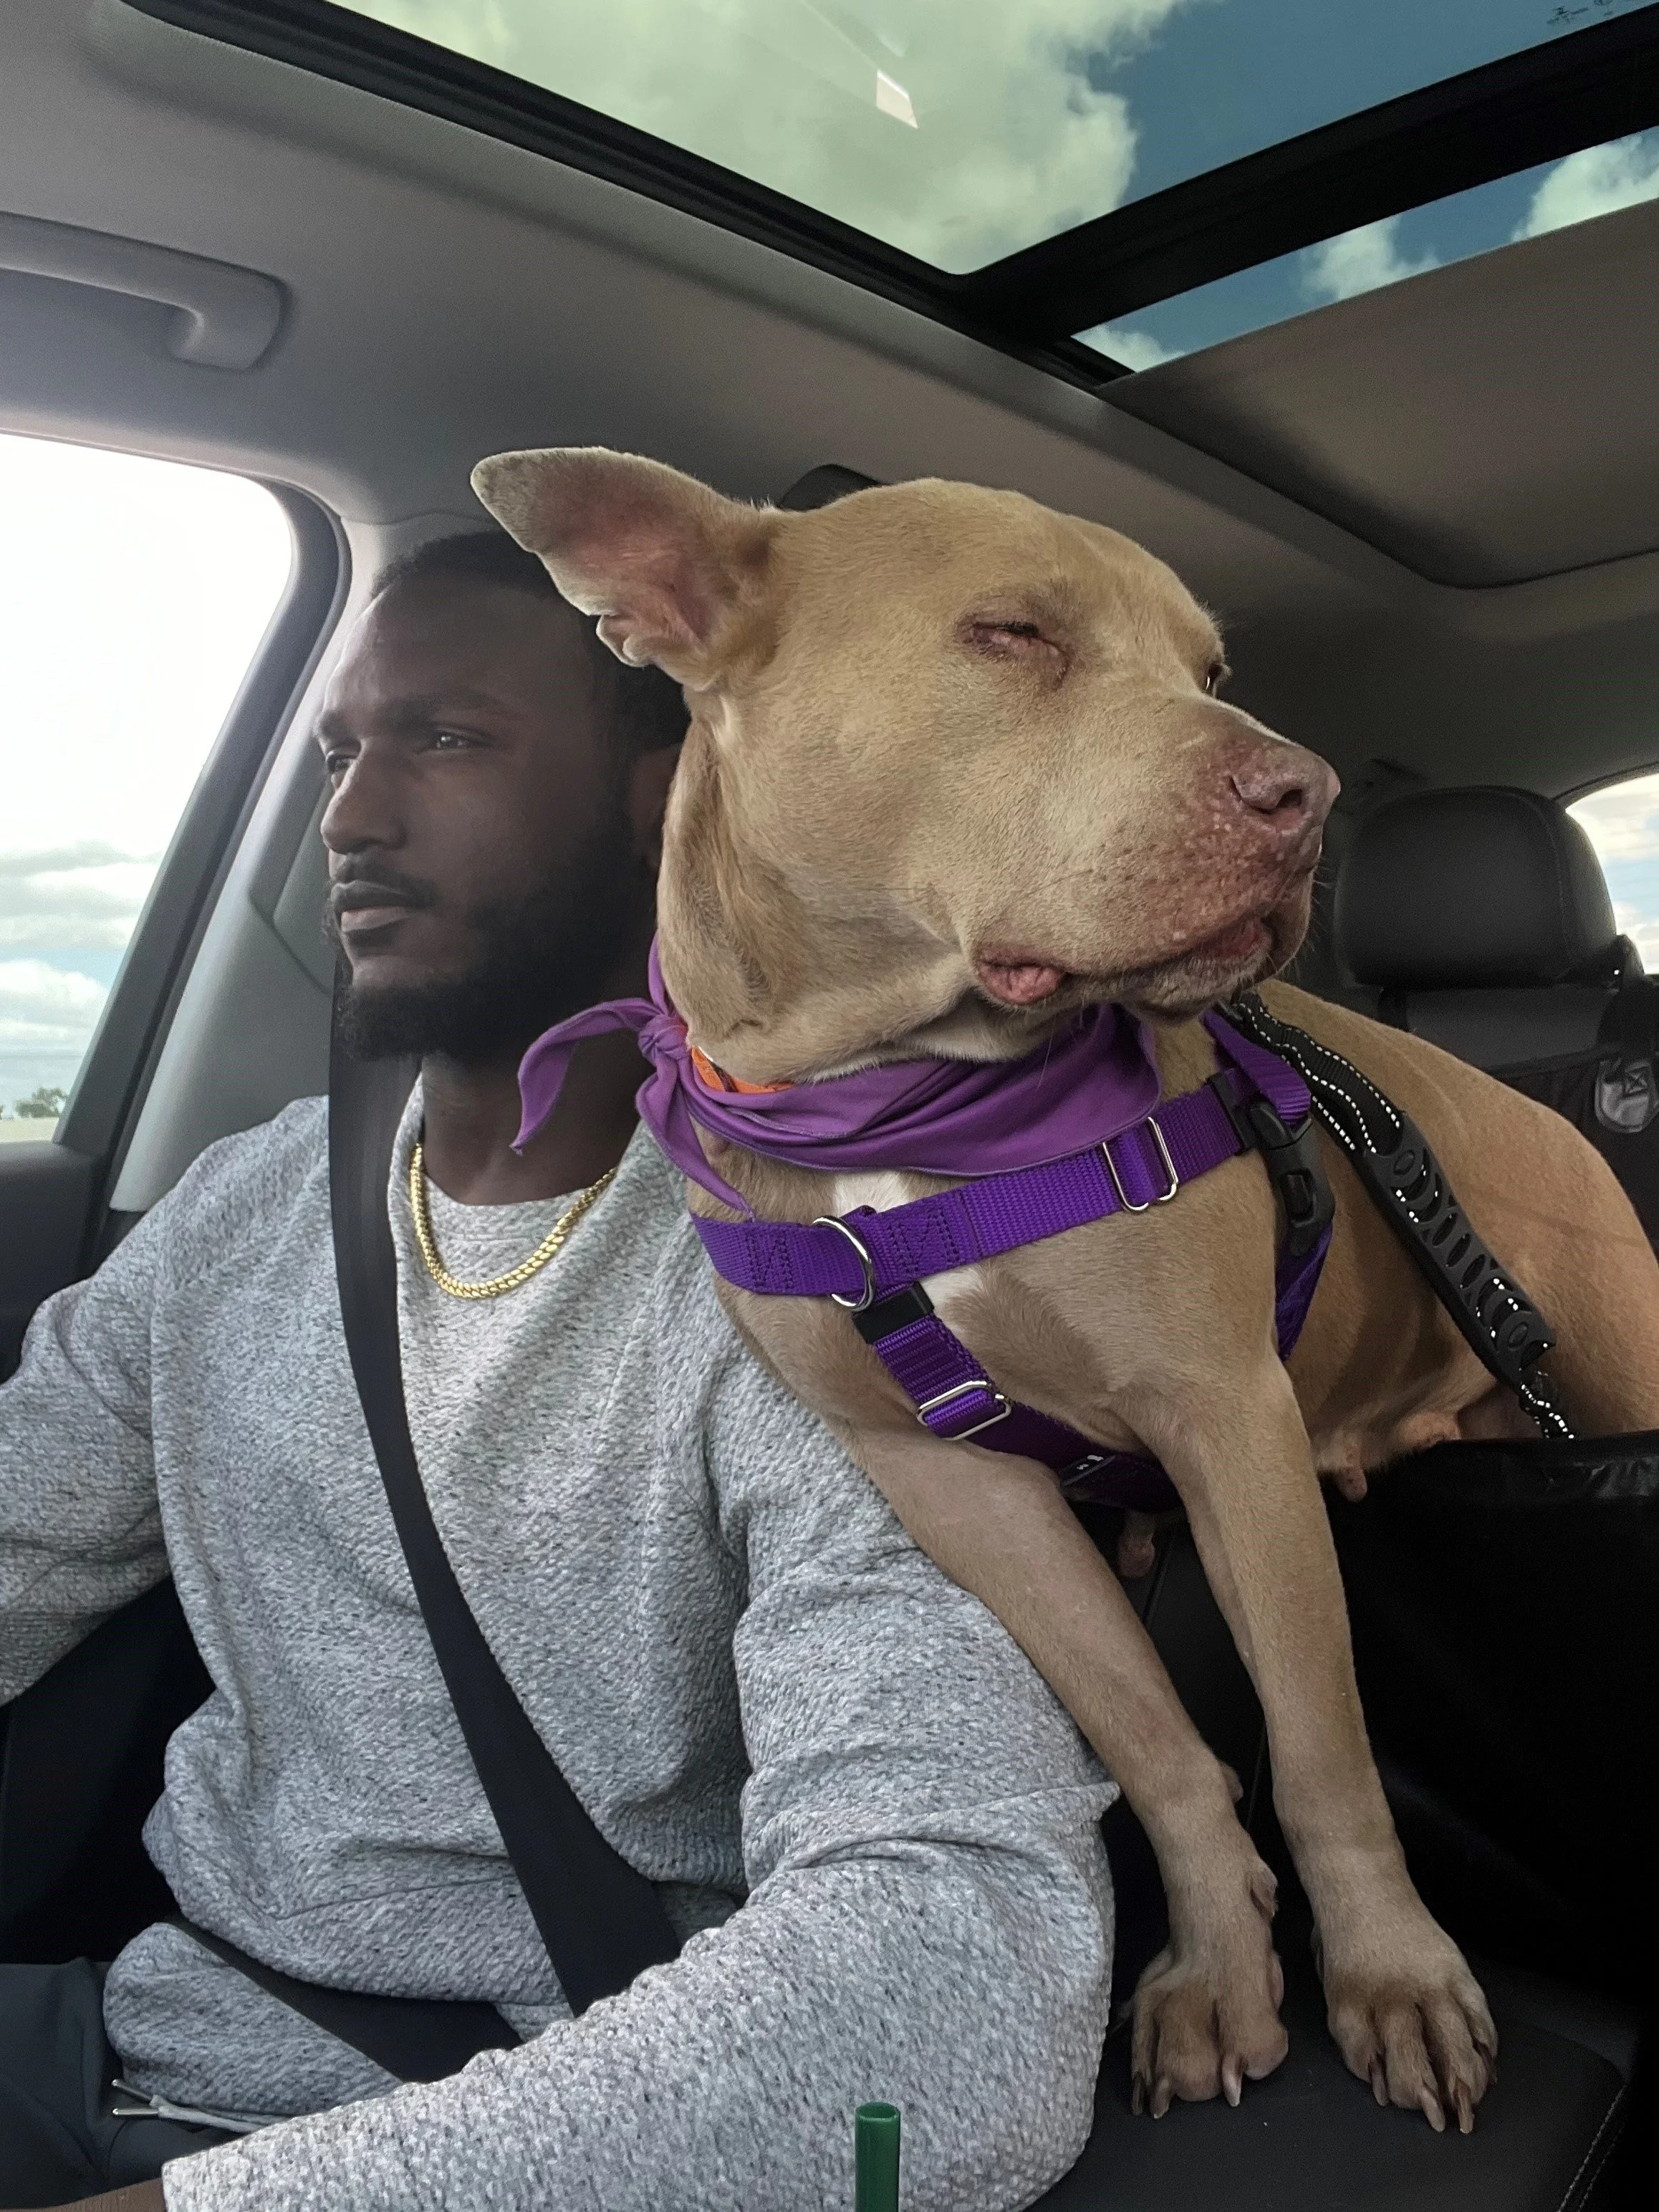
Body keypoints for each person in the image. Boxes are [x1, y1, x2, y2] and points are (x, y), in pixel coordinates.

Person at [0, 532, 1112, 2212]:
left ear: (672, 792)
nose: (351, 818)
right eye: (339, 750)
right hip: (117, 2030)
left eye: (444, 739)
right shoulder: (248, 1203)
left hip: (496, 2133)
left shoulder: (836, 1289)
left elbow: (955, 1985)